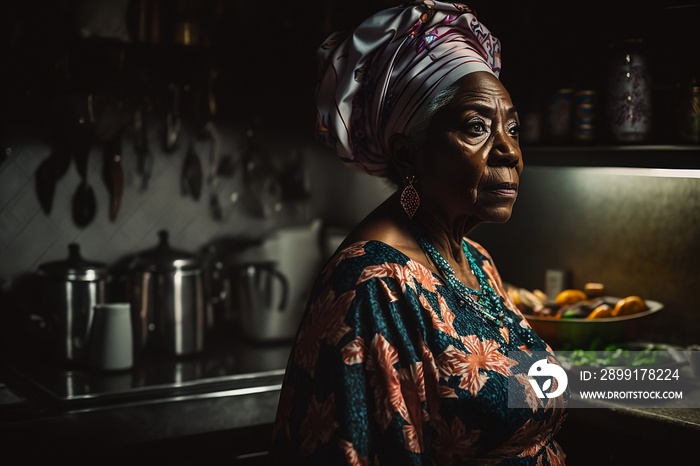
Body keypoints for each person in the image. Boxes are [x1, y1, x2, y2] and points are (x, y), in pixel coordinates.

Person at [269, 1, 569, 464]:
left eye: (511, 127)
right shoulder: (372, 288)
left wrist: (665, 377)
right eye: (476, 127)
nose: (509, 150)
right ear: (408, 156)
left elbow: (510, 385)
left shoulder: (476, 260)